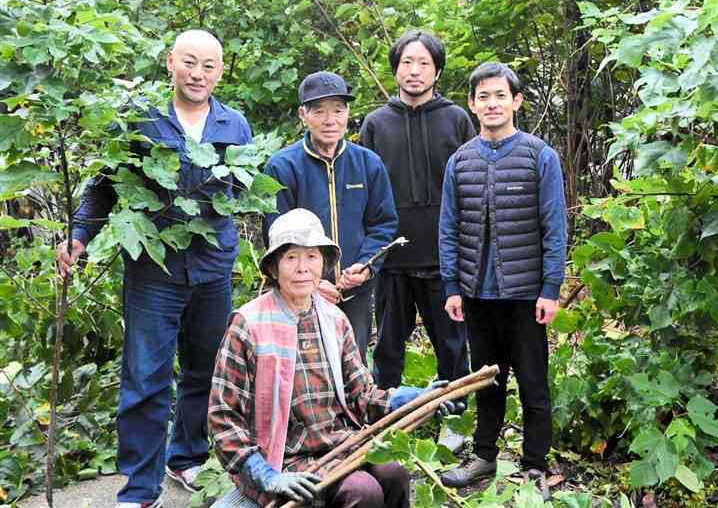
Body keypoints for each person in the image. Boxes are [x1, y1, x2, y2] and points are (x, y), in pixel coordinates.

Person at [56, 30, 252, 508]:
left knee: (207, 371)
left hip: (212, 269)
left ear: (220, 71)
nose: (198, 73)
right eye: (189, 62)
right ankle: (141, 490)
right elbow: (103, 188)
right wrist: (79, 236)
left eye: (208, 65)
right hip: (152, 273)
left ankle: (186, 458)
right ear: (170, 63)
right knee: (146, 378)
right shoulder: (141, 122)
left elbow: (249, 191)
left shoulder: (235, 125)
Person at [209, 208, 458, 508]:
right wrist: (262, 472)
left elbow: (361, 397)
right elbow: (222, 417)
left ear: (324, 264)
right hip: (283, 458)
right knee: (361, 492)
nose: (303, 268)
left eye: (311, 257)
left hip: (339, 444)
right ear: (273, 268)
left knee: (394, 473)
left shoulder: (333, 320)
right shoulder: (248, 324)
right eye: (291, 258)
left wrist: (416, 399)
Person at [437, 63, 567, 498]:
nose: (492, 104)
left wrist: (551, 288)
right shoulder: (461, 160)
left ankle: (534, 466)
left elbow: (554, 226)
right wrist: (452, 286)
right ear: (472, 104)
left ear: (516, 101)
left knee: (533, 381)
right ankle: (484, 457)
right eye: (483, 97)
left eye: (500, 96)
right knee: (486, 381)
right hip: (477, 293)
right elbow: (449, 228)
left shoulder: (538, 156)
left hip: (526, 294)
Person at [360, 30, 475, 454]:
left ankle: (455, 419)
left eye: (423, 63)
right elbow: (367, 191)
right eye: (407, 62)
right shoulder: (376, 123)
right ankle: (385, 420)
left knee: (452, 344)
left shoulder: (456, 119)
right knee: (388, 345)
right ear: (395, 69)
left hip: (445, 257)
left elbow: (470, 185)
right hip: (391, 256)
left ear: (437, 70)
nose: (414, 70)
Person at [263, 71, 398, 363]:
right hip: (300, 292)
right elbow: (276, 235)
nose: (330, 120)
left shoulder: (367, 163)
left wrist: (366, 266)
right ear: (303, 114)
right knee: (305, 369)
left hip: (355, 293)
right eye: (319, 111)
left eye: (338, 110)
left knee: (354, 366)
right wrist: (311, 281)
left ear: (347, 113)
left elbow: (383, 223)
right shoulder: (282, 166)